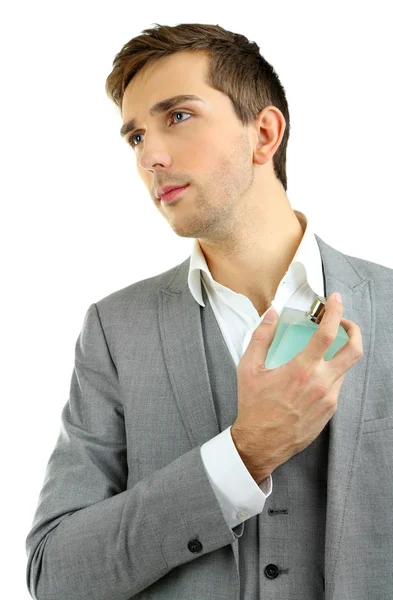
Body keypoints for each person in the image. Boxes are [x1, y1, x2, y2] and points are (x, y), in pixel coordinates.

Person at [25, 23, 392, 600]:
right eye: (136, 137)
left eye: (178, 116)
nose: (152, 156)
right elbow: (56, 576)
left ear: (264, 133)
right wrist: (243, 453)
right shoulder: (115, 333)